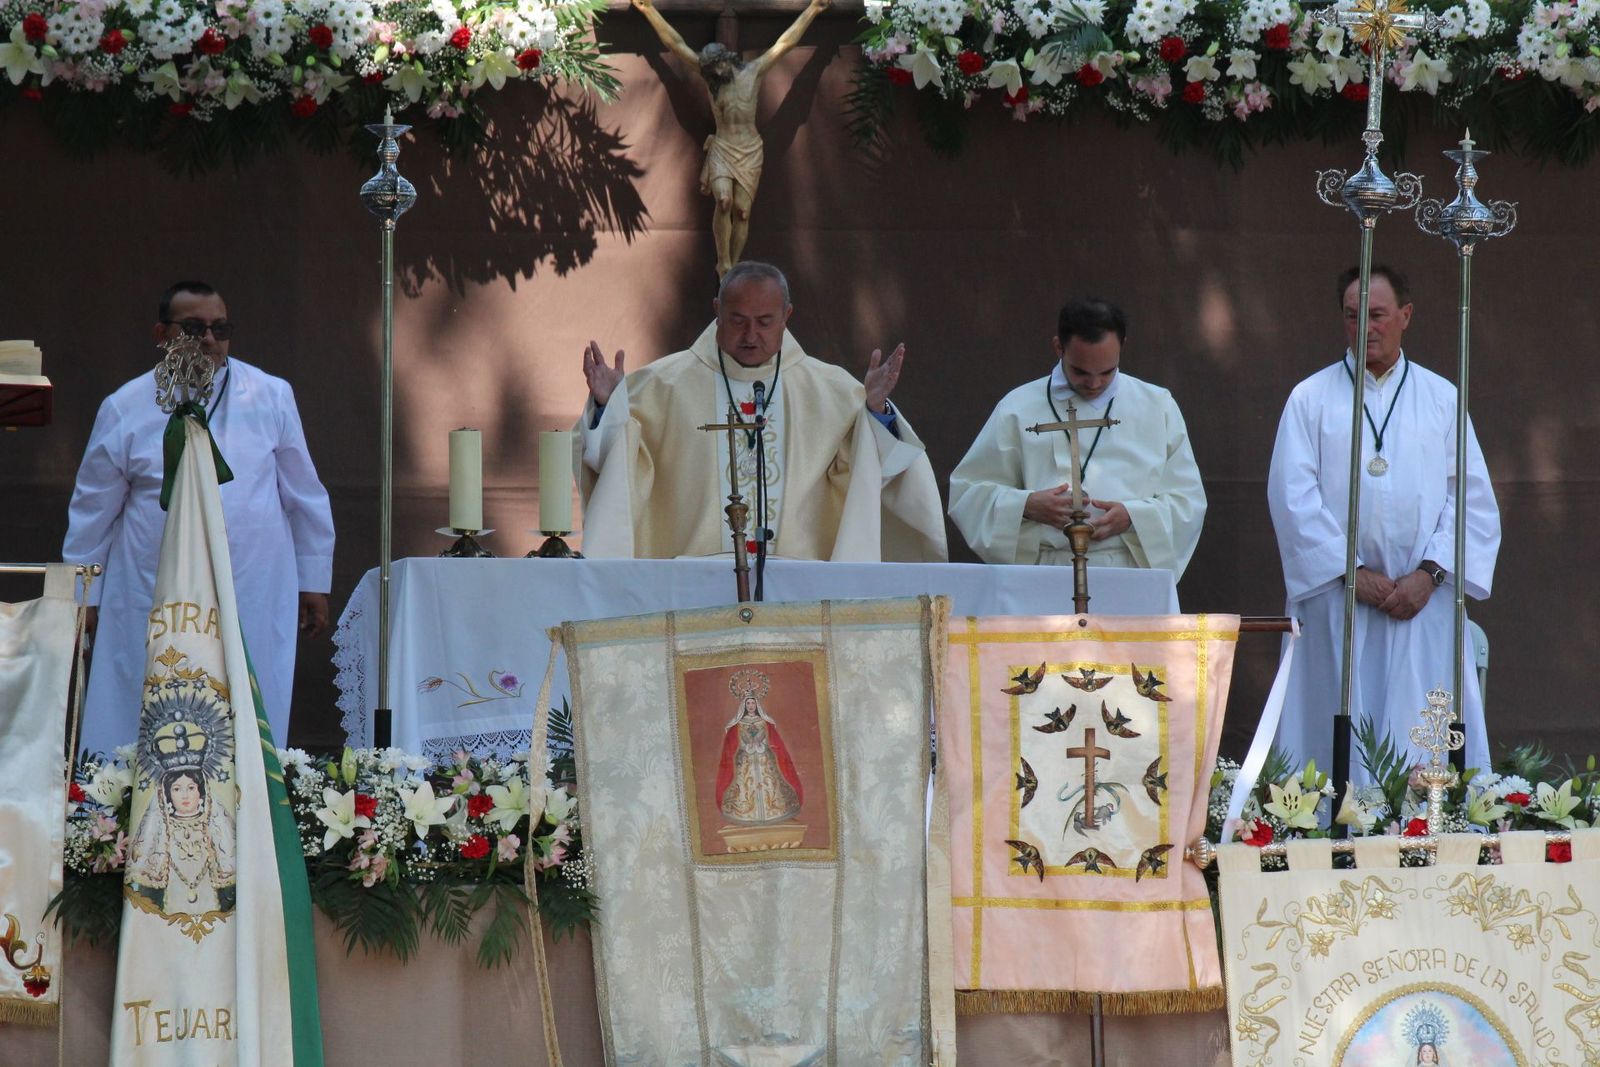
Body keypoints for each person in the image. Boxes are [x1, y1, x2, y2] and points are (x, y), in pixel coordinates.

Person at [63, 281, 335, 755]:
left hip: (253, 582)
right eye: (193, 327)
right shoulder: (124, 405)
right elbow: (93, 510)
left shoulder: (270, 396)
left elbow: (303, 493)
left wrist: (313, 580)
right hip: (150, 586)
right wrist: (82, 596)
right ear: (160, 332)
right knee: (142, 695)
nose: (209, 339)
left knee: (249, 701)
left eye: (219, 328)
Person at [1267, 266, 1501, 774]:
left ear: (1405, 316)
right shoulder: (1310, 399)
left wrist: (1430, 574)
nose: (1365, 328)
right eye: (1353, 317)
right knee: (1333, 748)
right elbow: (1293, 499)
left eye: (1376, 315)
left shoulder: (1442, 399)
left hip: (1424, 606)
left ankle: (1428, 837)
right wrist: (1352, 574)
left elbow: (1471, 499)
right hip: (1338, 603)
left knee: (1423, 739)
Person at [576, 260, 947, 562]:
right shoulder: (659, 386)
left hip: (800, 586)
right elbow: (613, 464)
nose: (751, 335)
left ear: (787, 315)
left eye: (765, 322)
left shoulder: (832, 391)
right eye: (738, 320)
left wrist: (877, 412)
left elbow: (876, 470)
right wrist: (609, 407)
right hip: (691, 581)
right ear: (717, 311)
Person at [947, 298, 1206, 576]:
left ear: (1122, 346)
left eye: (1107, 372)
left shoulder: (1157, 406)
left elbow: (1188, 502)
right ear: (1059, 347)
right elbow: (968, 494)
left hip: (1127, 569)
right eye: (1080, 371)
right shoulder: (1017, 408)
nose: (1094, 384)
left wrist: (1134, 517)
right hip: (1043, 571)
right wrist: (1025, 506)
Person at [630, 0, 830, 276]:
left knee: (742, 212)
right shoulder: (711, 78)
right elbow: (676, 44)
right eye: (709, 70)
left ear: (726, 61)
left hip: (749, 148)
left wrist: (813, 10)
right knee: (723, 201)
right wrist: (649, 11)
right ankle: (722, 261)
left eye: (716, 68)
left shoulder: (754, 72)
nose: (713, 73)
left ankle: (732, 265)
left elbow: (785, 45)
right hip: (723, 147)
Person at [717, 692, 803, 825]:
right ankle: (746, 814)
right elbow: (731, 745)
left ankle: (775, 811)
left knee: (771, 784)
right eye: (748, 703)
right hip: (745, 760)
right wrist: (746, 746)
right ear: (744, 706)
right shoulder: (738, 724)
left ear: (757, 705)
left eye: (753, 703)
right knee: (745, 786)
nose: (751, 706)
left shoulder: (765, 722)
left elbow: (775, 742)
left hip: (764, 759)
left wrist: (762, 745)